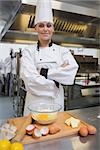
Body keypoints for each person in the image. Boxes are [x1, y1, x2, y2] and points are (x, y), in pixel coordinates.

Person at [20, 0, 79, 116]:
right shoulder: (28, 51)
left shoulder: (63, 51)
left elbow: (71, 72)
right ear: (36, 28)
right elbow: (30, 79)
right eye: (41, 25)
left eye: (48, 25)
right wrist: (56, 80)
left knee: (56, 129)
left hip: (56, 102)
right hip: (34, 103)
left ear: (53, 29)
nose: (45, 29)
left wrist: (43, 72)